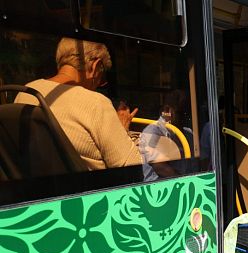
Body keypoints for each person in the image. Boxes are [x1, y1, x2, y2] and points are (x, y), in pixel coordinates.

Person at [14, 37, 141, 170]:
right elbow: (132, 167)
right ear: (95, 66)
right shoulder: (96, 103)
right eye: (102, 76)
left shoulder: (26, 92)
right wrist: (121, 131)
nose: (99, 83)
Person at [139, 105, 181, 181]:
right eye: (177, 110)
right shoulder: (153, 130)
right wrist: (184, 180)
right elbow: (159, 167)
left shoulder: (185, 132)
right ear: (166, 112)